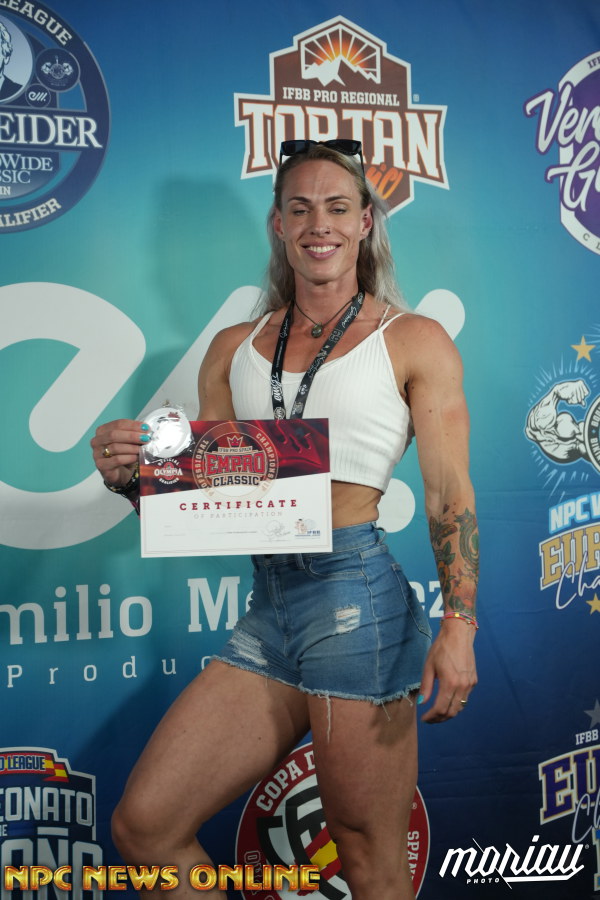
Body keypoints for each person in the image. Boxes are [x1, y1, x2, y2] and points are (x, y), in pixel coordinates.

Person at [91, 139, 478, 899]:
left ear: (365, 222)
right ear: (278, 224)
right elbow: (207, 502)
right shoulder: (233, 349)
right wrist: (132, 482)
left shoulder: (412, 338)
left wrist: (459, 623)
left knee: (369, 859)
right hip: (270, 607)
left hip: (356, 600)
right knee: (146, 828)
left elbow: (448, 495)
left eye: (337, 207)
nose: (318, 224)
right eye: (300, 209)